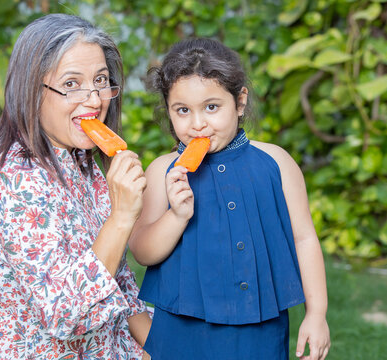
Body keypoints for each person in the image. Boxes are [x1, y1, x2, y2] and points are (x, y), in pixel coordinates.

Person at [0, 14, 151, 359]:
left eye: (101, 81)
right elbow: (66, 315)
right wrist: (121, 218)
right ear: (32, 90)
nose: (94, 100)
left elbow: (119, 285)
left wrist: (164, 348)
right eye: (71, 84)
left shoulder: (80, 162)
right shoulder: (10, 180)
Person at [129, 38, 330, 360]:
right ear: (168, 111)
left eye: (212, 107)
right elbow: (142, 252)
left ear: (239, 102)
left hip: (259, 324)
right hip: (183, 328)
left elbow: (303, 238)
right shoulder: (162, 172)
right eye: (183, 111)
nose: (197, 125)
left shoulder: (276, 163)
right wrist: (176, 216)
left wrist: (316, 313)